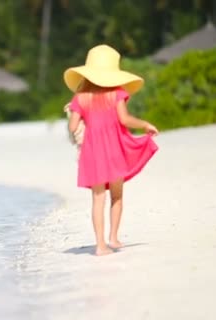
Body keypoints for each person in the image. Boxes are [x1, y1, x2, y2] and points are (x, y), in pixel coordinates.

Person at [64, 44, 159, 256]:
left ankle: (99, 245)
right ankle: (114, 238)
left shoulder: (80, 97)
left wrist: (73, 114)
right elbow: (124, 119)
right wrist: (144, 124)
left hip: (92, 151)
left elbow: (72, 127)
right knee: (117, 195)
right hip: (114, 149)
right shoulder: (117, 93)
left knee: (98, 199)